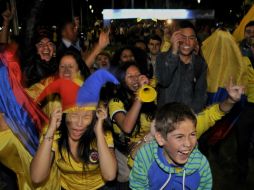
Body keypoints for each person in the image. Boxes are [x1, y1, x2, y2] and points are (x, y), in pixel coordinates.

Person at [129, 81, 244, 189]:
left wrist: (230, 101)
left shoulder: (201, 165)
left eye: (193, 134)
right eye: (179, 137)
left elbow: (211, 115)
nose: (188, 143)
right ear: (160, 138)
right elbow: (133, 164)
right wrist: (150, 135)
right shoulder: (147, 157)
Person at [31, 69, 119, 190]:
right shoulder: (54, 133)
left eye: (86, 117)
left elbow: (110, 175)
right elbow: (36, 177)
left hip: (101, 187)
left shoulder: (101, 131)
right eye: (74, 115)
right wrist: (50, 131)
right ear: (64, 115)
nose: (79, 124)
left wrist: (98, 132)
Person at [108, 61, 157, 188]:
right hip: (124, 156)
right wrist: (140, 97)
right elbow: (127, 127)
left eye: (138, 75)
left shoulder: (150, 94)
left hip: (145, 152)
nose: (135, 80)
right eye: (130, 76)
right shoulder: (115, 101)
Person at [155, 20, 207, 113]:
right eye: (183, 38)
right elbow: (164, 81)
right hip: (165, 119)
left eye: (191, 38)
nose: (187, 42)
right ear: (175, 38)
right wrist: (174, 53)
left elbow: (200, 95)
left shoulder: (200, 63)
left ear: (195, 41)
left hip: (187, 119)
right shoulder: (161, 58)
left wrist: (191, 117)